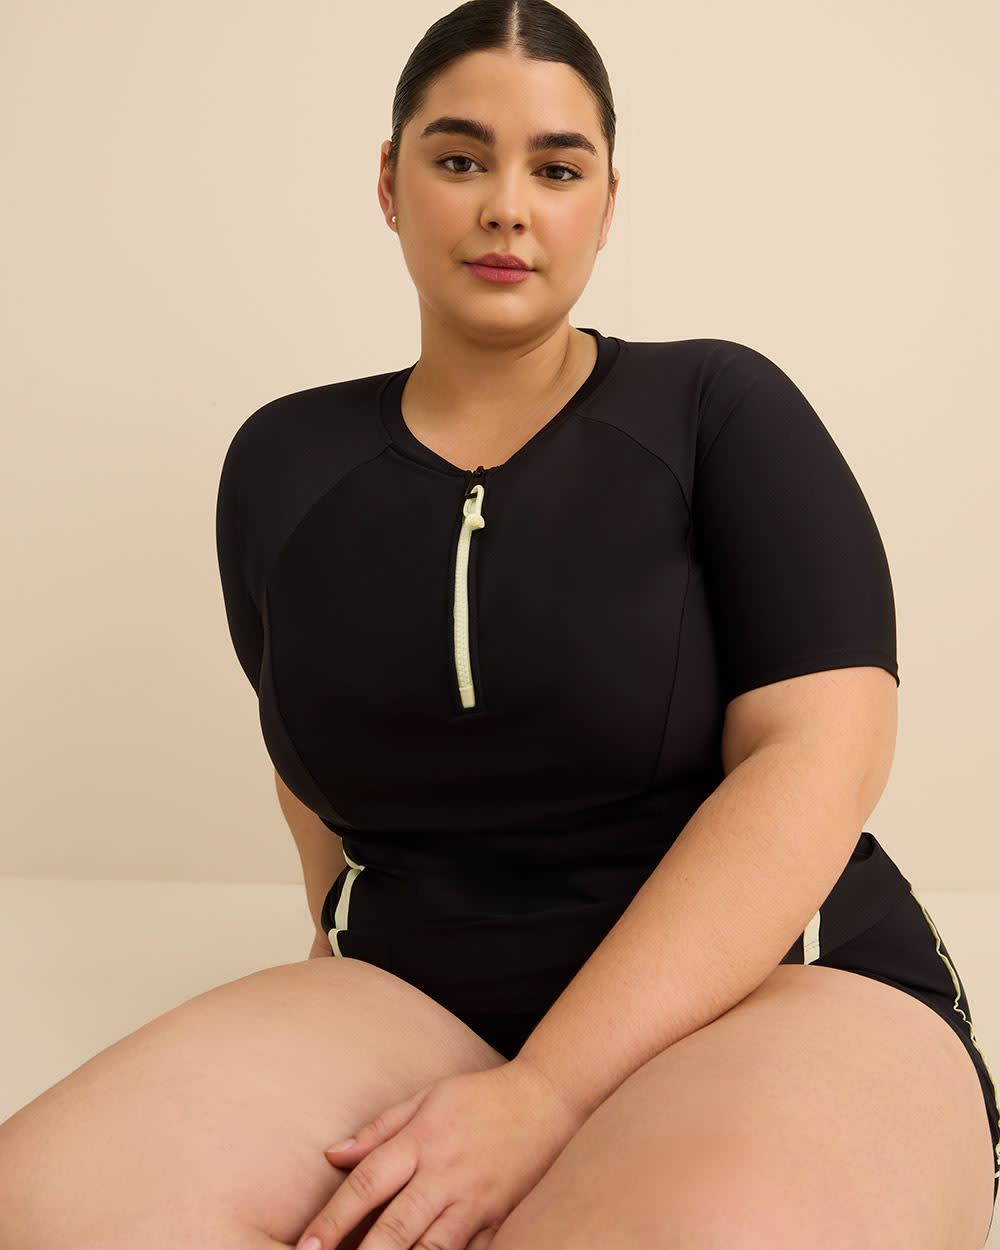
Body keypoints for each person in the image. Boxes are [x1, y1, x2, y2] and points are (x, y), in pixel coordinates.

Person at [2, 3, 997, 1249]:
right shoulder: (280, 461)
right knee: (43, 1203)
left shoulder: (717, 407)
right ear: (389, 180)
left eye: (557, 169)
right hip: (421, 992)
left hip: (767, 987)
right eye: (461, 158)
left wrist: (543, 1095)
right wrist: (333, 1001)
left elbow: (820, 759)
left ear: (608, 201)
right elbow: (312, 778)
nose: (506, 207)